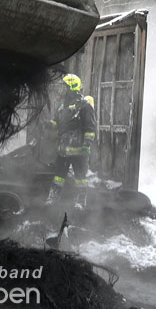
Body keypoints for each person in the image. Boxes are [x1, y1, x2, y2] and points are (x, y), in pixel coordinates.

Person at [45, 73, 96, 209]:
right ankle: (53, 199)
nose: (63, 89)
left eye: (65, 86)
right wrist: (50, 124)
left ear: (72, 87)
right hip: (63, 149)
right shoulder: (62, 104)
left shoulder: (84, 105)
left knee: (80, 178)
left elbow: (90, 128)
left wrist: (87, 145)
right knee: (59, 176)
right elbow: (57, 121)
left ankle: (80, 202)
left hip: (79, 150)